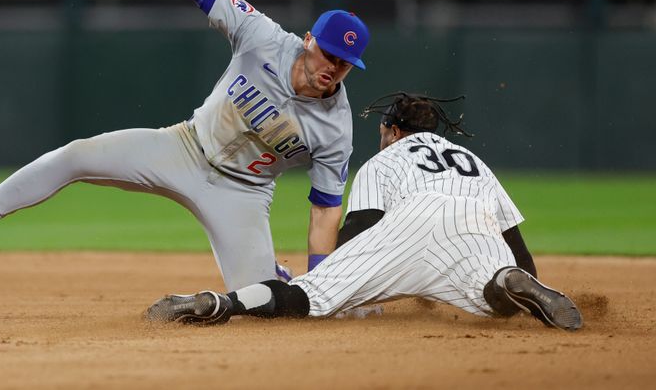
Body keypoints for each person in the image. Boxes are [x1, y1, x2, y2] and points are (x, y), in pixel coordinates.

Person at [0, 0, 371, 291]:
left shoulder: (336, 127)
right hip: (184, 147)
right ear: (310, 39)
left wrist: (320, 285)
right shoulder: (264, 37)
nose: (334, 68)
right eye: (328, 54)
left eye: (344, 63)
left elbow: (325, 213)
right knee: (76, 156)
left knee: (258, 301)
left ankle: (270, 274)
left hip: (243, 195)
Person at [145, 93, 583, 331]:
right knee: (493, 299)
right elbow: (517, 245)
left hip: (416, 217)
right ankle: (508, 284)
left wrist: (339, 281)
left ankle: (220, 303)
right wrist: (521, 270)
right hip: (478, 224)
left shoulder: (385, 159)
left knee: (312, 298)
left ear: (393, 131)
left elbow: (359, 230)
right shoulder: (473, 162)